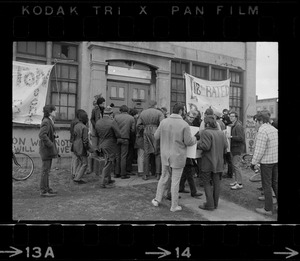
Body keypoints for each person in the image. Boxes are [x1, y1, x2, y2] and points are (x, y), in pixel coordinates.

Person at [151, 103, 197, 212]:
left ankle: (157, 199)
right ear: (181, 111)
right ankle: (174, 205)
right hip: (178, 155)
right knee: (175, 181)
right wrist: (194, 138)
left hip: (165, 154)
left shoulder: (164, 122)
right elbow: (188, 141)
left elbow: (156, 136)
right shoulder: (184, 124)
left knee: (164, 177)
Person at [197, 115, 228, 210]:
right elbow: (226, 146)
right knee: (216, 183)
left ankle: (210, 204)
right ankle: (215, 203)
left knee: (206, 182)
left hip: (208, 161)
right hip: (218, 161)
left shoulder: (206, 132)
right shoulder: (221, 133)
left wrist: (197, 143)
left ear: (206, 123)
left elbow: (206, 146)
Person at [251, 111, 278, 216]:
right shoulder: (274, 129)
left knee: (266, 185)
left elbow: (259, 150)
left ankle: (268, 209)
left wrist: (253, 163)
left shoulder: (262, 131)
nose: (255, 124)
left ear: (260, 121)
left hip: (267, 162)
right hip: (275, 160)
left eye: (255, 122)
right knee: (275, 183)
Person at [137, 100, 164, 180]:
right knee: (157, 153)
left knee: (146, 153)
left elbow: (138, 125)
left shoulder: (143, 113)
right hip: (156, 131)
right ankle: (158, 174)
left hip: (146, 132)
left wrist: (144, 129)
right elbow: (163, 124)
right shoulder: (159, 113)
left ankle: (145, 174)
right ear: (155, 105)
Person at [178, 111, 203, 198]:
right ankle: (193, 191)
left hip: (187, 150)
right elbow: (188, 139)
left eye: (193, 118)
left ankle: (182, 187)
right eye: (190, 117)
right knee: (188, 170)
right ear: (186, 116)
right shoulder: (185, 125)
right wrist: (196, 137)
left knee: (187, 170)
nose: (191, 119)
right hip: (185, 150)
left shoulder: (188, 125)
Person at [95, 106, 121, 188]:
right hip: (110, 144)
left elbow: (96, 134)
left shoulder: (98, 122)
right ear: (111, 114)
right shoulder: (112, 122)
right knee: (108, 163)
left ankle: (109, 179)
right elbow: (118, 134)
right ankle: (103, 182)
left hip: (101, 143)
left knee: (107, 160)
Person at [38, 105, 58, 197]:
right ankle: (43, 191)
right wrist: (50, 144)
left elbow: (47, 134)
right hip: (46, 149)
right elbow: (42, 135)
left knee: (47, 170)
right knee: (45, 171)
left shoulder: (49, 121)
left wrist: (53, 136)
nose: (56, 112)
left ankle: (47, 188)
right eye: (54, 110)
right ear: (50, 112)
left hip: (47, 149)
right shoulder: (46, 121)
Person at [113, 105, 135, 179]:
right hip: (125, 138)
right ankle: (123, 174)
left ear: (120, 110)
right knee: (124, 156)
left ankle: (116, 173)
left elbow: (113, 127)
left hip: (117, 138)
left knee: (117, 156)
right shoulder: (131, 118)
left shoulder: (116, 117)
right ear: (127, 110)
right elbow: (133, 130)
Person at [72, 110, 94, 184]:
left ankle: (76, 175)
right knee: (85, 163)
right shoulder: (84, 127)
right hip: (81, 146)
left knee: (80, 162)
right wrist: (89, 149)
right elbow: (85, 141)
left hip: (75, 145)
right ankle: (77, 178)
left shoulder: (76, 125)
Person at [228, 111, 245, 190]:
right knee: (235, 165)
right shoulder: (234, 125)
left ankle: (239, 183)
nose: (231, 117)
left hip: (237, 148)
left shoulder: (238, 126)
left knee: (237, 165)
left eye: (232, 116)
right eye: (230, 116)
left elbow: (241, 138)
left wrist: (231, 137)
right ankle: (236, 181)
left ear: (236, 117)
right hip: (234, 147)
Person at [89, 97, 105, 174]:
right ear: (99, 103)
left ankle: (100, 160)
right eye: (102, 103)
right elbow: (91, 119)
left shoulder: (105, 110)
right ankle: (92, 167)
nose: (103, 104)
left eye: (104, 103)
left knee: (101, 145)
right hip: (96, 131)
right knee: (94, 146)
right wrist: (95, 125)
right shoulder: (95, 110)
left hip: (102, 131)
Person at [70, 109, 85, 180]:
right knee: (77, 159)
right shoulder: (78, 123)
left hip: (73, 140)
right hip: (76, 142)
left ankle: (73, 172)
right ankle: (75, 173)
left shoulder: (73, 121)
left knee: (74, 158)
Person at [126, 108, 139, 175]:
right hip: (131, 138)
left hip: (127, 137)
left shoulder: (128, 118)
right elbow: (133, 130)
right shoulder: (133, 120)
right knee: (130, 154)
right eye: (137, 114)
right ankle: (128, 169)